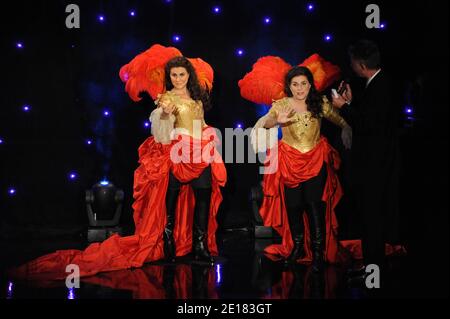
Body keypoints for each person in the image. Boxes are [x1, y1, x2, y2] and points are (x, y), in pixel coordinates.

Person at [10, 52, 226, 281]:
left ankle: (200, 245)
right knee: (168, 201)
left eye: (182, 74)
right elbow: (161, 132)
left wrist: (208, 137)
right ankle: (168, 242)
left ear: (188, 75)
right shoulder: (166, 99)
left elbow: (201, 124)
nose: (178, 79)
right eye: (174, 75)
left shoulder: (198, 100)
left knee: (203, 196)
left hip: (199, 152)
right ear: (169, 77)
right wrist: (164, 114)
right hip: (176, 153)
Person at [252, 66, 352, 272]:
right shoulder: (281, 104)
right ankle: (297, 247)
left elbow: (340, 119)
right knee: (294, 206)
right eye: (295, 84)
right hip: (289, 161)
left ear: (310, 84)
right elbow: (266, 122)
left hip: (315, 159)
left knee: (315, 205)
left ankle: (317, 253)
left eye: (303, 84)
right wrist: (275, 121)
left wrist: (346, 128)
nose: (299, 88)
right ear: (289, 86)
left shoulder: (320, 103)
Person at [332, 39, 400, 271]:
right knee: (370, 218)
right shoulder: (378, 83)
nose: (351, 65)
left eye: (352, 61)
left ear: (360, 64)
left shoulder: (381, 85)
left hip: (377, 165)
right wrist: (351, 102)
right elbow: (370, 117)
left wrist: (342, 106)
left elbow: (367, 124)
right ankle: (372, 267)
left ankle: (375, 269)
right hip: (375, 164)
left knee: (374, 219)